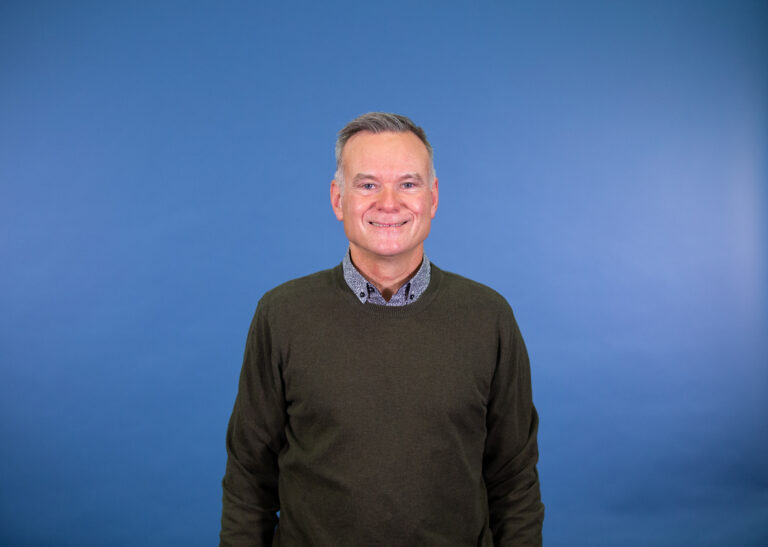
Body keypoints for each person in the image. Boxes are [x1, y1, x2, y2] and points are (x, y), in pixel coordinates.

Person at [220, 112, 544, 546]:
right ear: (338, 199)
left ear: (433, 198)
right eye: (368, 184)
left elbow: (515, 482)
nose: (388, 203)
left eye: (408, 184)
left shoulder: (489, 317)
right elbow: (247, 480)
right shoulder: (281, 315)